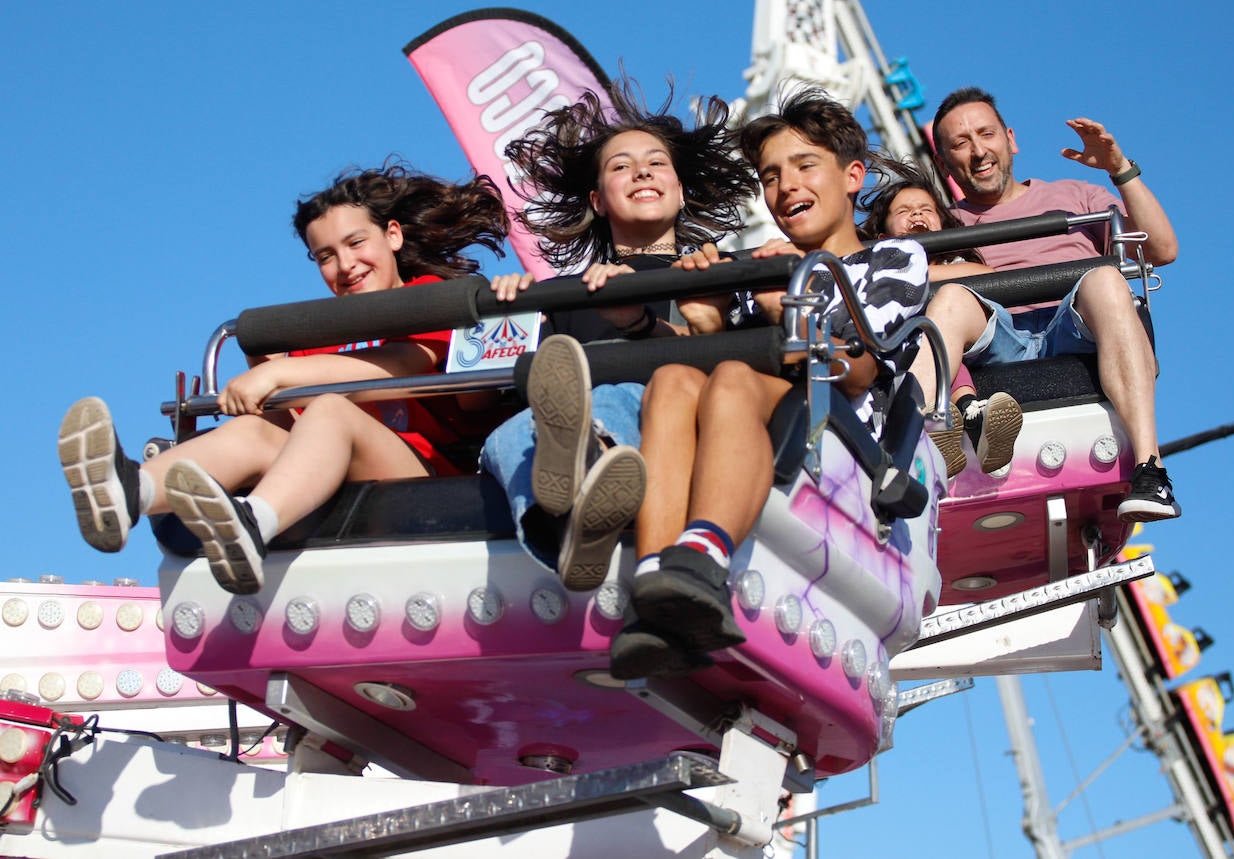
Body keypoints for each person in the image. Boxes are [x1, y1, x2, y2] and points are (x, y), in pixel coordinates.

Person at [58, 164, 508, 594]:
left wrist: (277, 371)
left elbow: (400, 364)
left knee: (332, 408)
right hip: (338, 472)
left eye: (356, 243)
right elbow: (291, 417)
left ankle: (253, 525)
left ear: (392, 235)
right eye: (326, 256)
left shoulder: (426, 296)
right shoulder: (324, 332)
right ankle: (130, 492)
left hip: (423, 472)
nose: (346, 264)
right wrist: (263, 366)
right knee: (257, 429)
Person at [608, 89, 930, 679]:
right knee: (675, 380)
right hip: (762, 419)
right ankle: (657, 578)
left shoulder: (891, 261)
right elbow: (697, 361)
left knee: (732, 378)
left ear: (852, 175)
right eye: (771, 176)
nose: (786, 188)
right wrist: (695, 314)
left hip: (846, 439)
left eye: (806, 166)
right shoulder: (755, 265)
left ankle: (703, 553)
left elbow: (860, 372)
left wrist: (791, 307)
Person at [480, 81, 755, 591]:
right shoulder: (559, 295)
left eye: (656, 163)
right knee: (507, 435)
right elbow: (509, 385)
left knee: (615, 397)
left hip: (669, 420)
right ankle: (574, 521)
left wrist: (702, 318)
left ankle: (591, 461)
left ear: (680, 188)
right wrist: (509, 312)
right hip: (552, 426)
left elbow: (747, 384)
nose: (642, 172)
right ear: (598, 200)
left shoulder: (721, 273)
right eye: (620, 166)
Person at [908, 86, 1180, 523]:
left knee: (1106, 278)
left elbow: (1162, 249)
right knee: (951, 298)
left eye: (986, 134)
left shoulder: (1075, 197)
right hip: (997, 336)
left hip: (1076, 325)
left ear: (1010, 139)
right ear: (944, 162)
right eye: (961, 144)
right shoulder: (946, 223)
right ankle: (911, 452)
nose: (978, 151)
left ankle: (1151, 470)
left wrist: (1119, 169)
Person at [859, 157, 1023, 476]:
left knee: (942, 318)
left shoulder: (953, 264)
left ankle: (955, 415)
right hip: (909, 353)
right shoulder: (876, 274)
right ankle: (966, 415)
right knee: (926, 330)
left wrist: (920, 272)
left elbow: (985, 274)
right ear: (882, 239)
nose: (916, 214)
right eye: (904, 212)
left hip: (966, 348)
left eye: (926, 209)